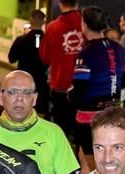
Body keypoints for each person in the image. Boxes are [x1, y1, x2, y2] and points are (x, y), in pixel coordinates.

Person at [71, 6, 125, 174]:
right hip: (114, 114)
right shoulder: (120, 50)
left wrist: (70, 95)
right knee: (109, 160)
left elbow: (79, 89)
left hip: (88, 118)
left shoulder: (85, 53)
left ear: (84, 25)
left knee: (90, 164)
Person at [39, 0, 84, 139]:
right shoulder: (86, 24)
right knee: (80, 129)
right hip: (82, 83)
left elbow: (45, 57)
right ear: (76, 4)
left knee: (60, 127)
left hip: (60, 83)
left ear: (60, 4)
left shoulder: (53, 27)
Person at [8, 9, 49, 115]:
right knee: (41, 113)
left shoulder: (21, 40)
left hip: (24, 83)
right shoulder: (48, 40)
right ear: (43, 22)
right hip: (42, 84)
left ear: (30, 21)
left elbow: (11, 58)